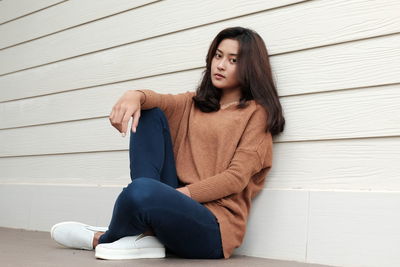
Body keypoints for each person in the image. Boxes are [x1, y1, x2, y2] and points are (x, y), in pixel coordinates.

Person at [50, 26, 285, 260]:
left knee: (141, 191)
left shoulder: (257, 114)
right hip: (171, 205)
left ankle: (105, 237)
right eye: (218, 55)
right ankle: (143, 233)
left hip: (212, 229)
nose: (221, 65)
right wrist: (134, 95)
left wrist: (175, 196)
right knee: (150, 112)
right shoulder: (194, 103)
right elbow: (157, 100)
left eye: (233, 60)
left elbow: (235, 178)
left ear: (250, 67)